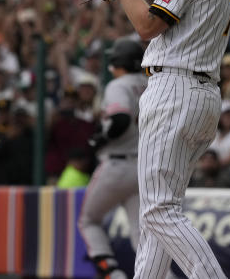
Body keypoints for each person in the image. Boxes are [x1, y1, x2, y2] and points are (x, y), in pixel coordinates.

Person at [97, 0, 230, 279]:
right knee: (157, 217)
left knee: (159, 211)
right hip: (201, 91)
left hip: (175, 88)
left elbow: (146, 26)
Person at [78, 38, 147, 279]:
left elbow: (119, 119)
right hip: (143, 168)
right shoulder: (149, 83)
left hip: (116, 164)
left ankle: (114, 276)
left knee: (89, 221)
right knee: (142, 238)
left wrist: (98, 139)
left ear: (118, 61)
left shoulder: (119, 85)